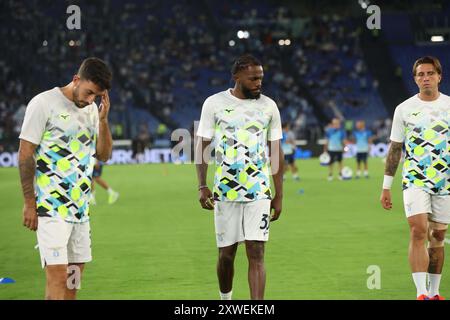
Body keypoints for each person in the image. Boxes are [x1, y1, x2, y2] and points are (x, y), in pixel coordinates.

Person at [18, 57, 113, 300]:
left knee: (73, 283)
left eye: (97, 95)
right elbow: (25, 154)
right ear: (76, 79)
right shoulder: (44, 103)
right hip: (51, 208)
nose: (91, 99)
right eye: (89, 92)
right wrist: (30, 203)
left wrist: (103, 121)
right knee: (58, 279)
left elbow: (103, 155)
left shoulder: (92, 110)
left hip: (80, 212)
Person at [195, 54, 283, 300]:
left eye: (261, 78)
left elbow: (276, 151)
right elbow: (202, 145)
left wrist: (279, 195)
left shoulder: (269, 106)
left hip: (259, 191)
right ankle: (226, 301)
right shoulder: (214, 103)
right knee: (226, 255)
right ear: (237, 77)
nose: (259, 83)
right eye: (253, 78)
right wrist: (202, 185)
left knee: (257, 253)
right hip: (225, 191)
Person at [380, 56, 450, 300]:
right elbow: (395, 149)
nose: (426, 78)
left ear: (439, 76)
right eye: (420, 74)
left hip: (445, 181)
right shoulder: (405, 109)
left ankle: (434, 292)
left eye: (430, 73)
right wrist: (386, 186)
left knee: (438, 235)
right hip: (415, 179)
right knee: (419, 230)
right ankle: (421, 293)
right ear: (415, 79)